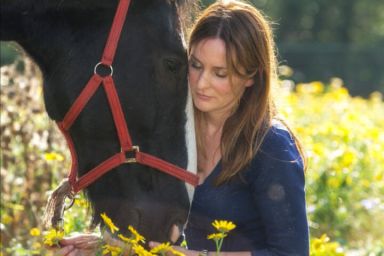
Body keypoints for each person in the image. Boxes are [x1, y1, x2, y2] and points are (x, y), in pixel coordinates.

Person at [55, 0, 309, 255]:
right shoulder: (173, 132)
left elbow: (293, 253)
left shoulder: (271, 145)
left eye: (220, 73)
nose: (201, 83)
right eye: (196, 65)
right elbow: (164, 236)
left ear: (252, 76)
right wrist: (106, 245)